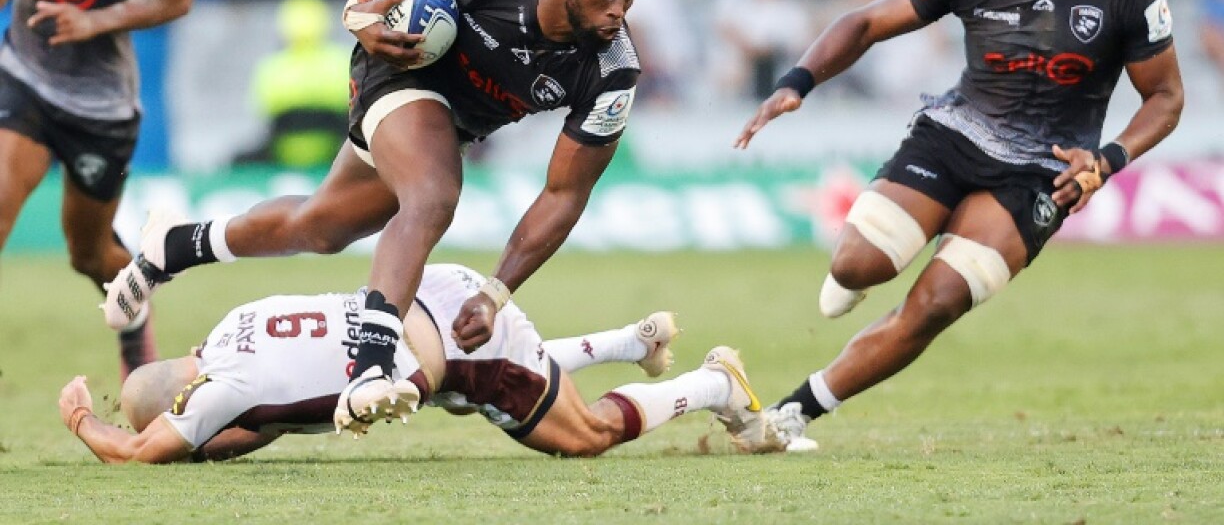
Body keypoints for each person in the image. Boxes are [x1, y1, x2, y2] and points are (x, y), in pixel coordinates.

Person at [104, 0, 647, 434]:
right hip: (395, 69)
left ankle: (177, 245)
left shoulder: (615, 69)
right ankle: (370, 367)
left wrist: (495, 292)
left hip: (451, 126)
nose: (617, 11)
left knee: (320, 228)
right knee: (432, 196)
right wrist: (360, 16)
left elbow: (564, 193)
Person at [733, 0, 1183, 450]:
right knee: (856, 265)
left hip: (1043, 169)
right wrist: (797, 82)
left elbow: (1166, 97)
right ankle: (867, 263)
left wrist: (1106, 161)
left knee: (938, 302)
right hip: (954, 135)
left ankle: (793, 412)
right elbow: (865, 21)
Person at [65, 263, 776, 462]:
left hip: (458, 350)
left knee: (583, 436)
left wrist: (81, 421)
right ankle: (631, 342)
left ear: (186, 403)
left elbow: (137, 452)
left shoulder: (223, 393)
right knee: (479, 391)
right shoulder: (233, 325)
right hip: (429, 291)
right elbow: (267, 419)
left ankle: (713, 382)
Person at [0, 0, 194, 377]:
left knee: (87, 253)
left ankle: (133, 317)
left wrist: (96, 19)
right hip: (24, 77)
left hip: (100, 105)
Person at [232, 0, 351, 168]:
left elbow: (265, 114)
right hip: (336, 152)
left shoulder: (270, 67)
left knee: (238, 161)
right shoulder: (343, 61)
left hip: (282, 153)